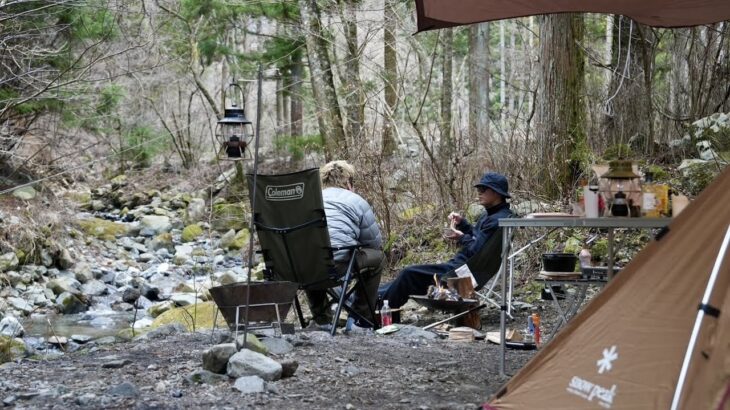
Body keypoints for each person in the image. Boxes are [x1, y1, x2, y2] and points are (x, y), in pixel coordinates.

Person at [379, 172, 513, 309]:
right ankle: (374, 299)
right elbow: (477, 239)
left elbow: (476, 250)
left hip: (462, 272)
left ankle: (379, 309)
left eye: (483, 190)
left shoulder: (497, 220)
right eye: (478, 189)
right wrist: (463, 224)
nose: (479, 193)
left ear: (497, 193)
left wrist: (460, 237)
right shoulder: (492, 214)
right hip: (461, 265)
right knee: (404, 278)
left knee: (409, 274)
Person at [305, 160, 385, 329]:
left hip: (302, 268)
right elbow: (374, 244)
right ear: (348, 182)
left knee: (312, 258)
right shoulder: (356, 200)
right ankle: (359, 319)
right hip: (339, 264)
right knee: (378, 259)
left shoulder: (308, 201)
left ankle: (322, 320)